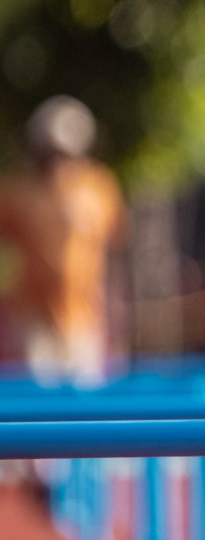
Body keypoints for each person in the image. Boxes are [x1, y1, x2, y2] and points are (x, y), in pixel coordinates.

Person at [0, 96, 127, 385]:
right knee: (37, 403)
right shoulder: (17, 191)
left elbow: (112, 248)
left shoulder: (98, 187)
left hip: (85, 316)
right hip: (32, 317)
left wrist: (115, 311)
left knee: (86, 402)